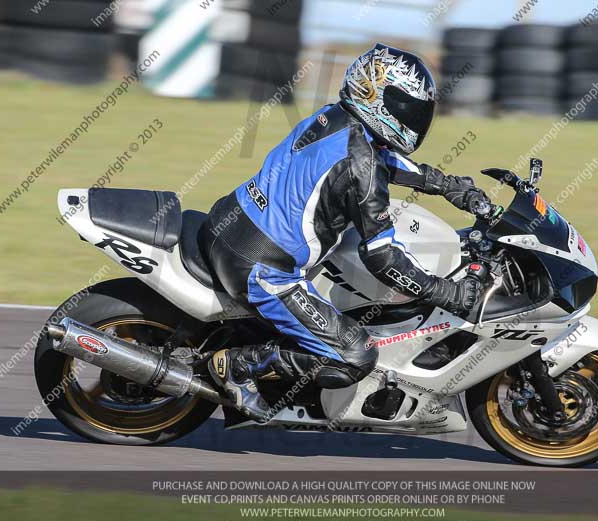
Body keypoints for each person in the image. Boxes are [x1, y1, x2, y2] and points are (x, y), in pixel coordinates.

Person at [202, 43, 492, 422]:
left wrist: (452, 186)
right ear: (375, 96)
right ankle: (238, 366)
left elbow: (386, 162)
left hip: (231, 223)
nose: (415, 118)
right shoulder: (362, 167)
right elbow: (383, 258)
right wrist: (446, 292)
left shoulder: (334, 119)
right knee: (355, 355)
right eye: (406, 106)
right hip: (263, 268)